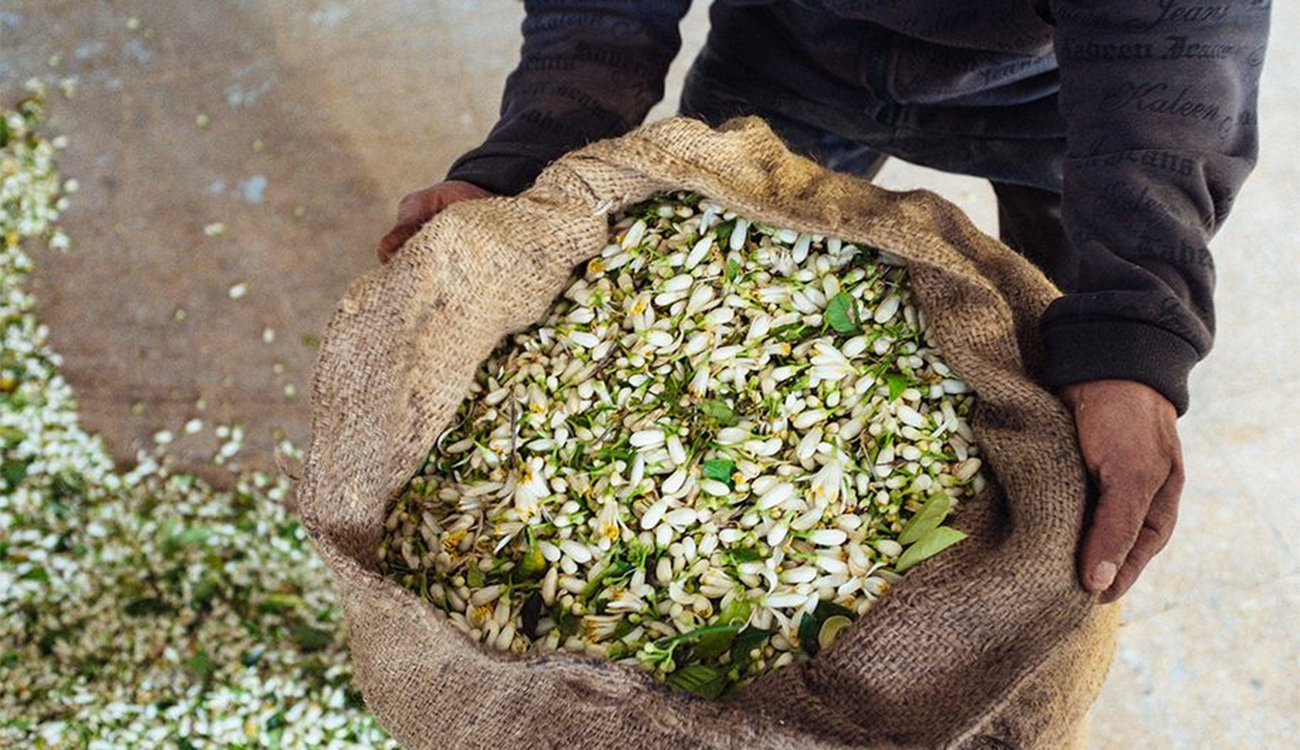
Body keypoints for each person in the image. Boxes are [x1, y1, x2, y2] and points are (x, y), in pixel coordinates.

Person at [377, 1, 1271, 603]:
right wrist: (535, 152)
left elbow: (1175, 43)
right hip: (788, 55)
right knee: (709, 282)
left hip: (1057, 101)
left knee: (1066, 359)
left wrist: (1136, 326)